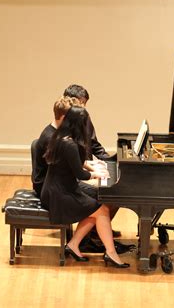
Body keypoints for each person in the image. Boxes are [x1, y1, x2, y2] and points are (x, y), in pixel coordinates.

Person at [41, 106, 129, 268]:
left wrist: (94, 167)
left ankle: (74, 245)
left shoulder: (62, 137)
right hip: (60, 194)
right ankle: (111, 253)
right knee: (101, 210)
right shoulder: (69, 144)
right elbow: (80, 174)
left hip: (58, 188)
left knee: (94, 211)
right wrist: (98, 174)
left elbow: (75, 163)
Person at [62, 84, 121, 237]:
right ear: (71, 101)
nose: (84, 107)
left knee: (118, 192)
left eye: (85, 103)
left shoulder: (84, 117)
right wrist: (91, 173)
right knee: (113, 193)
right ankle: (95, 231)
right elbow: (70, 161)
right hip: (74, 176)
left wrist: (110, 160)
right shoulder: (64, 124)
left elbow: (94, 143)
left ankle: (99, 227)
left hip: (86, 169)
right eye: (82, 102)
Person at [32, 96, 82, 197]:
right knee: (100, 201)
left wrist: (90, 166)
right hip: (49, 189)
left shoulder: (56, 132)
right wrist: (93, 174)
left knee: (102, 195)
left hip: (56, 183)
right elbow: (73, 170)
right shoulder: (53, 139)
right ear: (64, 118)